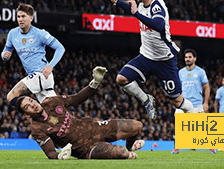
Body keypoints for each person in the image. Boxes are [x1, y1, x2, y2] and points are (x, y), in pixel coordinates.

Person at [107, 0, 196, 121]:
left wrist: (136, 14)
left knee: (178, 102)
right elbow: (131, 8)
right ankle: (147, 100)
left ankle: (194, 114)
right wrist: (117, 1)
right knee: (121, 78)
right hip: (146, 57)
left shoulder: (158, 4)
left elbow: (158, 25)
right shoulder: (141, 6)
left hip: (165, 60)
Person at [14, 66, 145, 159]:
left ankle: (130, 147)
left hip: (94, 128)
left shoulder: (51, 101)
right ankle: (126, 151)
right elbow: (50, 153)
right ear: (26, 113)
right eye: (27, 107)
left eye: (31, 101)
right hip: (85, 148)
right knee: (121, 153)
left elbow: (77, 98)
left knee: (136, 126)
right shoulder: (37, 129)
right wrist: (59, 156)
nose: (33, 105)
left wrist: (95, 83)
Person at [1, 3, 65, 104]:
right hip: (37, 77)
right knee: (53, 112)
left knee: (11, 96)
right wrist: (4, 56)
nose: (20, 19)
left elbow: (60, 48)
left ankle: (29, 115)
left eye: (23, 16)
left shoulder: (40, 33)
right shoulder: (13, 34)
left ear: (31, 18)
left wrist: (50, 65)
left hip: (41, 74)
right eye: (18, 16)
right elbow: (6, 50)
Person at [172, 49, 214, 154]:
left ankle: (210, 146)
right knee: (179, 125)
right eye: (186, 57)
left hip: (197, 104)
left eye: (190, 57)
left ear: (194, 58)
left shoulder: (200, 72)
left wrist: (206, 102)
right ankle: (177, 147)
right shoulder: (180, 72)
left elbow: (206, 87)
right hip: (183, 104)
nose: (188, 59)